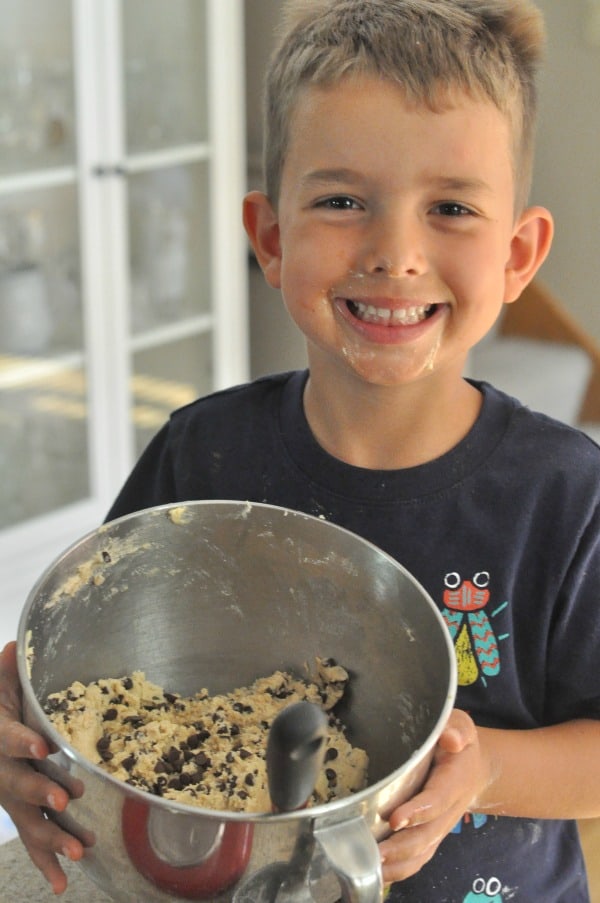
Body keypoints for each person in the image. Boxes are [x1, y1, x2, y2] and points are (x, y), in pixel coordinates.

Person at [1, 0, 600, 899]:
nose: (396, 253)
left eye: (450, 207)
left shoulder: (567, 495)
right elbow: (82, 662)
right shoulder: (202, 452)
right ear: (271, 237)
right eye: (343, 201)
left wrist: (489, 769)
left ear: (519, 254)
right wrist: (20, 728)